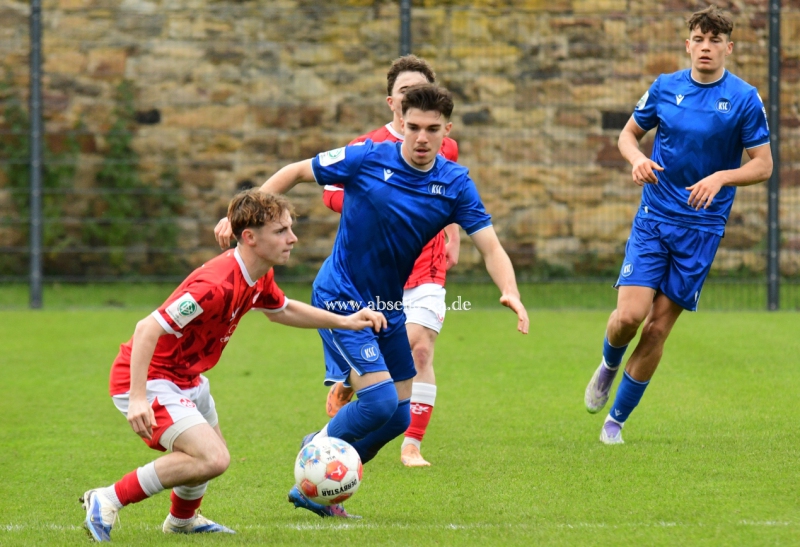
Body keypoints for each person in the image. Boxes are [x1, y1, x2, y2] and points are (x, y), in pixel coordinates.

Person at [215, 84, 529, 519]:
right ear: (400, 122)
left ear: (447, 131)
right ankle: (316, 451)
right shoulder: (366, 157)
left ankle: (319, 488)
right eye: (413, 127)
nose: (421, 137)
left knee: (399, 416)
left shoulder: (455, 184)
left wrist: (510, 290)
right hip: (340, 294)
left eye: (432, 129)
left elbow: (490, 247)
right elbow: (295, 171)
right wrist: (240, 219)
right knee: (379, 402)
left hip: (387, 306)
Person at [80, 190, 386, 542]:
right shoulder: (215, 285)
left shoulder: (257, 275)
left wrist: (346, 321)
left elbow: (282, 309)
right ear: (250, 237)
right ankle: (108, 498)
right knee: (212, 458)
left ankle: (182, 520)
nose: (293, 238)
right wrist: (137, 398)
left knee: (208, 454)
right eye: (281, 231)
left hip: (187, 377)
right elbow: (146, 329)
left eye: (290, 229)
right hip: (151, 378)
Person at [584, 5, 772, 445]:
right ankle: (608, 364)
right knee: (629, 317)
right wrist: (637, 159)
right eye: (699, 40)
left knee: (656, 329)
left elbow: (763, 165)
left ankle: (615, 423)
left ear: (728, 48)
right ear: (688, 45)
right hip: (655, 218)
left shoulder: (744, 98)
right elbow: (627, 135)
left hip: (702, 231)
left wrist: (721, 177)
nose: (706, 48)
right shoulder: (665, 87)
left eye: (715, 41)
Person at [322, 54, 461, 468]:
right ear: (392, 102)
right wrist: (378, 205)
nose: (411, 98)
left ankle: (412, 443)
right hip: (376, 273)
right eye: (404, 92)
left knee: (420, 348)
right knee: (386, 357)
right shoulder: (365, 147)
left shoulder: (444, 144)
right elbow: (330, 191)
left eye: (419, 91)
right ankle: (354, 381)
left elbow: (449, 191)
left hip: (426, 266)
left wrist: (453, 235)